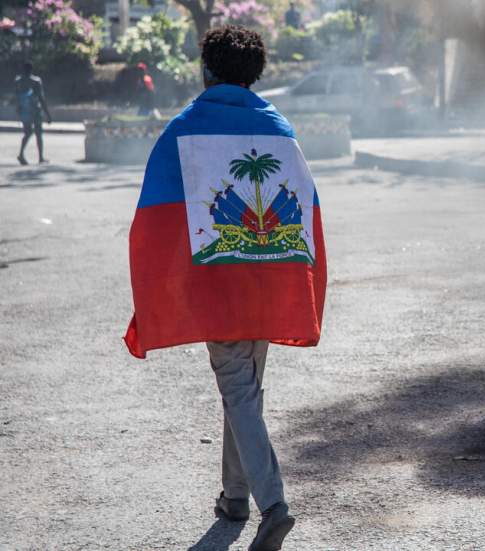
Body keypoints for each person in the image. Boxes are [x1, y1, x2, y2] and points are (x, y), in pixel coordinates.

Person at [124, 25, 327, 551]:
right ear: (255, 74)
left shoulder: (186, 128)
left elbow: (157, 218)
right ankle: (235, 497)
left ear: (207, 70)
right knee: (245, 389)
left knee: (238, 389)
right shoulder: (279, 128)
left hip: (222, 286)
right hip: (273, 279)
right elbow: (306, 210)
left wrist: (165, 289)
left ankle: (274, 505)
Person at [14, 62, 52, 165]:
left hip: (24, 111)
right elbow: (41, 98)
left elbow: (16, 98)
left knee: (27, 133)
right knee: (38, 134)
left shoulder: (18, 81)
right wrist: (47, 114)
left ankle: (21, 154)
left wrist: (18, 110)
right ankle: (40, 157)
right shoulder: (36, 81)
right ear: (31, 70)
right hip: (35, 111)